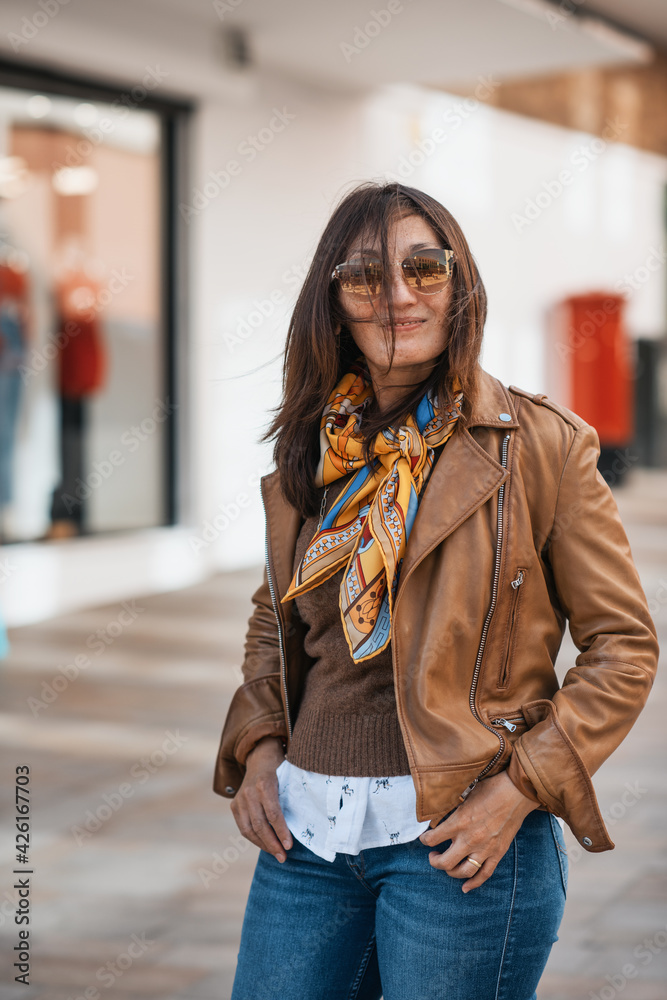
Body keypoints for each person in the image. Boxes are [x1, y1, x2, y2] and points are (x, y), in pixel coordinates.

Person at [213, 181, 659, 1000]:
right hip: (306, 840)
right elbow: (273, 619)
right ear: (332, 301)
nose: (397, 295)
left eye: (425, 267)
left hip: (459, 845)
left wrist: (519, 789)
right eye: (364, 276)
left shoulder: (540, 447)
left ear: (460, 287)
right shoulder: (315, 451)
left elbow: (623, 646)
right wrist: (259, 748)